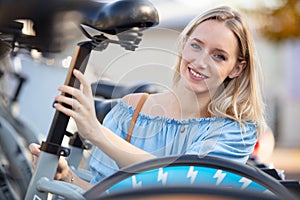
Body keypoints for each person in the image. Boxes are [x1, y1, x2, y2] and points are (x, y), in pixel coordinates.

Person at [30, 6, 267, 191]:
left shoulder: (237, 130)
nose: (201, 62)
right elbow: (101, 192)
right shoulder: (131, 110)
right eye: (196, 45)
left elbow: (182, 182)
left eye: (219, 56)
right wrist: (66, 177)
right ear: (183, 44)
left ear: (237, 68)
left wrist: (96, 132)